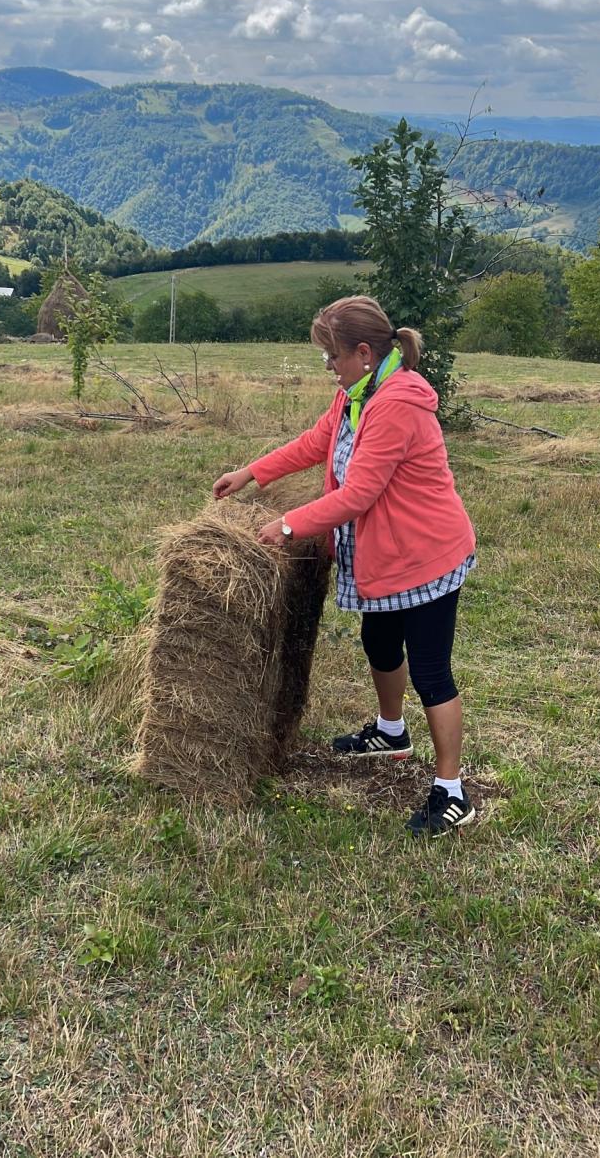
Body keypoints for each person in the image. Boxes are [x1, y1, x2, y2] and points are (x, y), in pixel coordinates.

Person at [212, 295, 477, 838]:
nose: (328, 367)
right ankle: (391, 734)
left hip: (425, 557)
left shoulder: (397, 401)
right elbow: (315, 443)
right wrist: (251, 473)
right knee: (380, 644)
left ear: (363, 352)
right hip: (386, 557)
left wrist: (288, 525)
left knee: (431, 671)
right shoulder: (357, 395)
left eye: (331, 356)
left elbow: (359, 493)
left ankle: (452, 792)